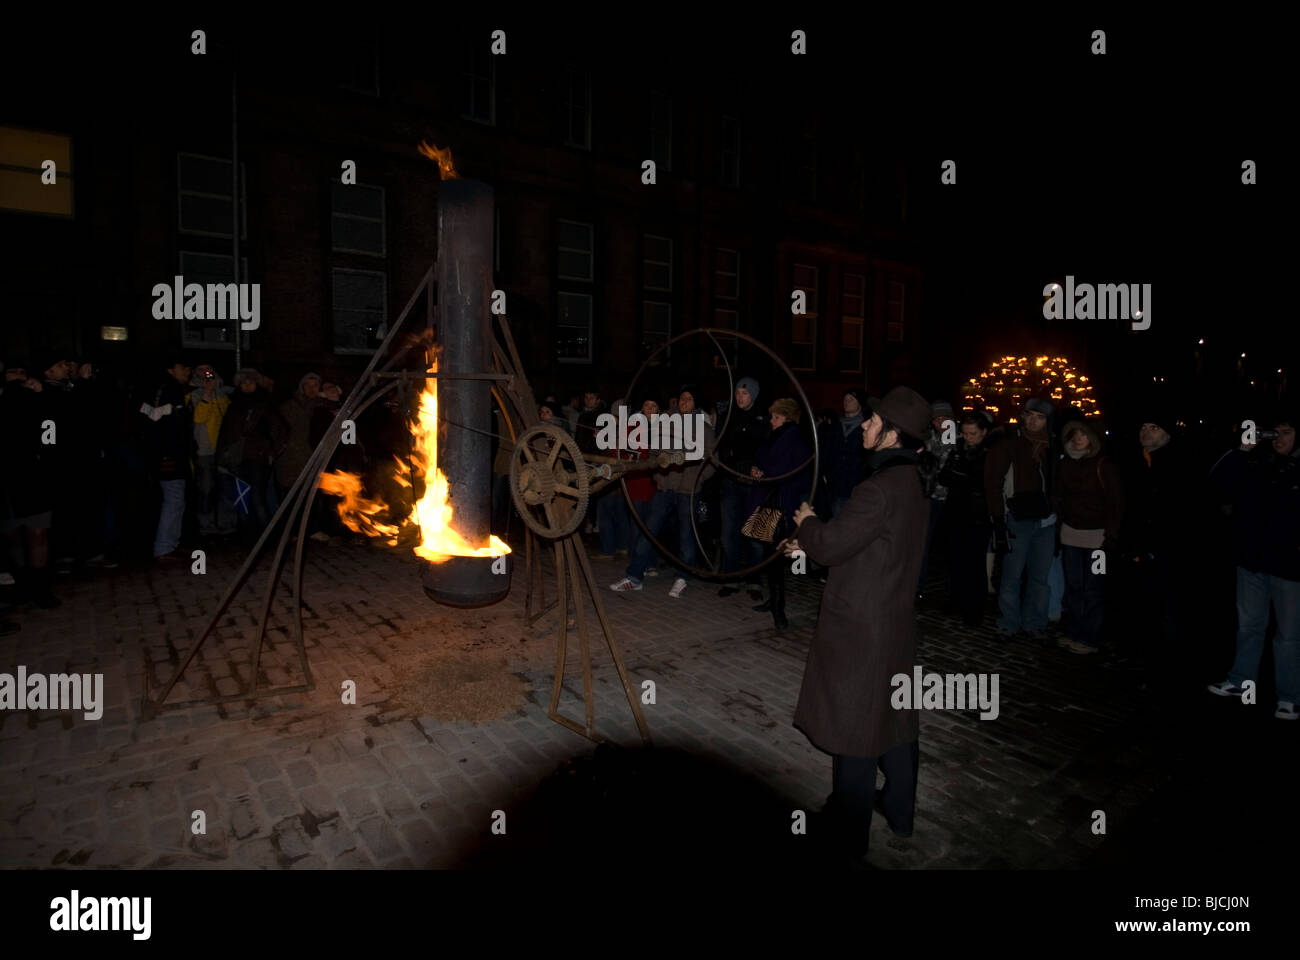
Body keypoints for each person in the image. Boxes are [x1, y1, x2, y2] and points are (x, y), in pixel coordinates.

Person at [787, 386, 931, 859]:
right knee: (891, 717)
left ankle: (846, 834)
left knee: (855, 725)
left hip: (861, 628)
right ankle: (899, 809)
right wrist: (813, 543)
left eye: (872, 422)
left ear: (892, 435)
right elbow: (868, 546)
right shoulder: (911, 481)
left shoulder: (877, 489)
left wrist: (808, 524)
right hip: (891, 620)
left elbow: (830, 546)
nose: (864, 426)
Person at [1207, 413, 1299, 719]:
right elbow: (1219, 483)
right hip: (1252, 561)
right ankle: (1241, 681)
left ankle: (1289, 696)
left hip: (1290, 567)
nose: (1279, 439)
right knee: (1249, 626)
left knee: (1288, 635)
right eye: (1276, 433)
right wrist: (1244, 449)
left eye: (1287, 433)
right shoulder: (1259, 463)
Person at [610, 385, 715, 598]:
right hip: (665, 487)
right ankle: (634, 577)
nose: (684, 402)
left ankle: (682, 577)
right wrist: (659, 473)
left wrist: (697, 480)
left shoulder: (703, 429)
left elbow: (713, 462)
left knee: (686, 536)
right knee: (648, 531)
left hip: (688, 490)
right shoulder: (666, 424)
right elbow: (654, 452)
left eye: (689, 398)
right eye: (682, 398)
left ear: (696, 403)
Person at [986, 397, 1058, 641]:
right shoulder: (1009, 443)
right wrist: (998, 520)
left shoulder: (1053, 446)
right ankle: (1009, 622)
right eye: (1030, 415)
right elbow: (993, 482)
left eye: (1040, 417)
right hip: (1017, 516)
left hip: (1046, 520)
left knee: (1039, 578)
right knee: (1012, 575)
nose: (1034, 421)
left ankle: (1035, 622)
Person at [1052, 415, 1124, 655]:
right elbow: (1060, 498)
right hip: (1071, 535)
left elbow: (1116, 504)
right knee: (1074, 586)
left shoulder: (1104, 466)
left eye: (1084, 434)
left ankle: (1089, 636)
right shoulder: (1066, 464)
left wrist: (1110, 538)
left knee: (1094, 588)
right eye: (1075, 434)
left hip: (1098, 539)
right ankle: (1073, 630)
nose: (1079, 439)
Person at [0, 360, 60, 607]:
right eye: (12, 372)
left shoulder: (37, 401)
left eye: (22, 372)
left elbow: (51, 435)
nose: (17, 377)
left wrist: (41, 398)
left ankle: (41, 588)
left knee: (38, 533)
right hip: (6, 480)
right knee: (12, 535)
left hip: (33, 476)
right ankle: (22, 586)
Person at [747, 398, 811, 629]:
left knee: (774, 556)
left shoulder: (792, 437)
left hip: (781, 503)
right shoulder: (776, 435)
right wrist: (758, 469)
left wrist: (764, 471)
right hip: (771, 500)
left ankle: (778, 606)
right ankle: (773, 600)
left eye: (776, 416)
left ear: (787, 417)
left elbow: (786, 470)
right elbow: (765, 460)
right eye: (772, 416)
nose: (772, 420)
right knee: (768, 553)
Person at [216, 369, 288, 548]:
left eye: (251, 382)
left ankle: (268, 539)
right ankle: (248, 539)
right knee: (242, 499)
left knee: (257, 498)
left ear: (256, 384)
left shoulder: (265, 404)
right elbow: (225, 433)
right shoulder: (234, 405)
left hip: (258, 458)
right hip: (237, 460)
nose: (247, 386)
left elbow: (281, 429)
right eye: (244, 383)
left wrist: (271, 452)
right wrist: (222, 458)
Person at [938, 411, 993, 626]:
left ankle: (974, 609)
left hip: (977, 515)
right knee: (955, 561)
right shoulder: (958, 450)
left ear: (983, 433)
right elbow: (945, 476)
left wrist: (961, 477)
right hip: (956, 512)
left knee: (975, 565)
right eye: (965, 433)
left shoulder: (988, 453)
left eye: (973, 434)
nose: (968, 438)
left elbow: (981, 482)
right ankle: (956, 601)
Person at [716, 376, 768, 601]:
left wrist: (755, 465)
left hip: (754, 483)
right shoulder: (728, 416)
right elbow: (723, 446)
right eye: (738, 392)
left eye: (744, 393)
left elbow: (764, 447)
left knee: (755, 532)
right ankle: (732, 578)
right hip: (730, 480)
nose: (740, 397)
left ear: (753, 395)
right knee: (729, 533)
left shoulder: (763, 417)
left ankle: (754, 580)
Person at [144, 358, 194, 562]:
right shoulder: (167, 389)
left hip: (173, 453)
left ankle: (171, 543)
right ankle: (164, 547)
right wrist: (167, 452)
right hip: (169, 454)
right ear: (171, 369)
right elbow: (157, 419)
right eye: (183, 366)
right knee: (173, 498)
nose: (188, 370)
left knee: (177, 499)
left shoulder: (174, 389)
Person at [189, 364, 235, 537]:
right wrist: (207, 393)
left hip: (223, 448)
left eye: (209, 370)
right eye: (201, 371)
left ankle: (227, 523)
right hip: (204, 449)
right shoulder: (194, 394)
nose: (206, 374)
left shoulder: (224, 394)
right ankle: (205, 525)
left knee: (225, 488)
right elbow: (199, 418)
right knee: (206, 488)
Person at [917, 400, 956, 597]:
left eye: (944, 418)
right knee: (923, 543)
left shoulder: (955, 435)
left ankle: (951, 590)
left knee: (950, 548)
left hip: (950, 500)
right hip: (929, 498)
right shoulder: (927, 436)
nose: (940, 422)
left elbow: (943, 460)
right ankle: (919, 587)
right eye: (936, 419)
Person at [277, 373, 323, 501]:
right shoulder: (289, 406)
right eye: (307, 385)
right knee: (290, 501)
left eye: (315, 385)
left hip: (315, 460)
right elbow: (278, 431)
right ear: (301, 387)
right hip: (291, 461)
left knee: (311, 502)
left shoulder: (323, 407)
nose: (311, 389)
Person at [822, 390, 868, 517]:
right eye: (845, 399)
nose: (846, 402)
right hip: (834, 485)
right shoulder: (835, 426)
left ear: (860, 403)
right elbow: (827, 452)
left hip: (854, 487)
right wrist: (826, 474)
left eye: (851, 399)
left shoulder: (866, 427)